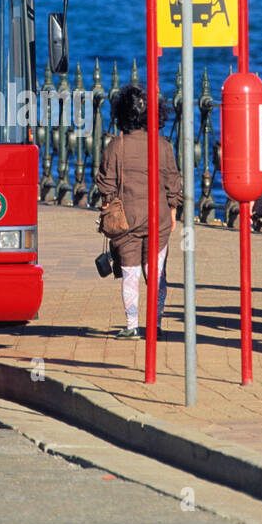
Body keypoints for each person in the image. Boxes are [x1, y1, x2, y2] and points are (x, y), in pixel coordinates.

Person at [95, 86, 184, 340]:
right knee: (155, 275)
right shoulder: (163, 145)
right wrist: (173, 212)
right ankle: (154, 325)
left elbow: (106, 185)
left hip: (125, 222)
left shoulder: (116, 146)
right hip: (159, 220)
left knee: (130, 275)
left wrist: (108, 208)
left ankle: (132, 325)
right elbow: (173, 183)